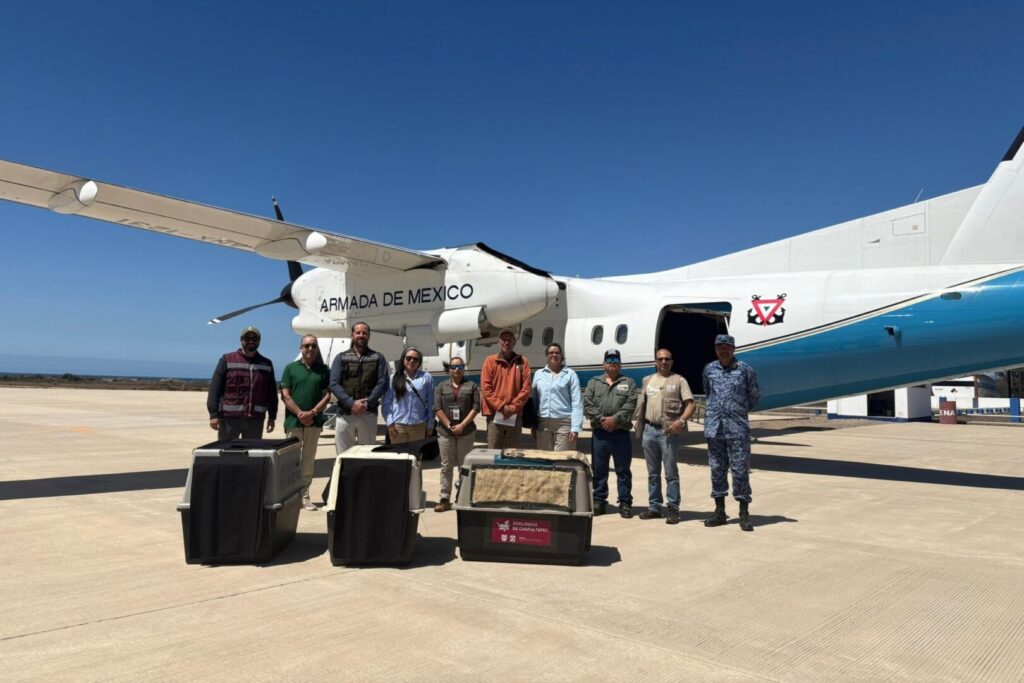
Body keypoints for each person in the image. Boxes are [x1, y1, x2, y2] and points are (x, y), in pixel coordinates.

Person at [702, 334, 761, 532]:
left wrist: (737, 411)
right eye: (720, 347)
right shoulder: (709, 369)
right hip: (715, 428)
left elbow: (754, 396)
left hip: (737, 429)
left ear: (733, 349)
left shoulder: (745, 370)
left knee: (740, 470)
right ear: (715, 349)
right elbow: (708, 393)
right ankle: (719, 512)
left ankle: (744, 513)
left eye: (727, 347)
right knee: (717, 469)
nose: (723, 350)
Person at [634, 349, 695, 525]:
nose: (663, 362)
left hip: (668, 432)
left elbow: (690, 404)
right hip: (649, 431)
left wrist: (681, 421)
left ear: (672, 362)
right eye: (660, 359)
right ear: (655, 362)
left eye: (667, 359)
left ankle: (673, 509)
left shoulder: (679, 380)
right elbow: (642, 404)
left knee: (671, 473)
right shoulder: (647, 380)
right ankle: (654, 507)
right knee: (652, 473)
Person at [583, 349, 638, 518]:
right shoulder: (593, 382)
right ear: (604, 364)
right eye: (609, 360)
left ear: (620, 364)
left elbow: (630, 405)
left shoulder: (628, 382)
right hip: (600, 434)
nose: (613, 363)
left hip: (620, 434)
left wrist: (615, 420)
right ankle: (599, 501)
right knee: (599, 469)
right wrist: (602, 420)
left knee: (623, 470)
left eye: (616, 360)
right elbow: (588, 403)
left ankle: (625, 502)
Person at [280, 334, 331, 511]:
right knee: (290, 461)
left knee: (308, 461)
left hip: (314, 423)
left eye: (313, 346)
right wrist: (300, 413)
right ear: (300, 348)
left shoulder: (324, 370)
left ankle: (304, 496)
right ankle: (288, 495)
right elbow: (285, 395)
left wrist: (313, 412)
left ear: (317, 349)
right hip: (293, 422)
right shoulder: (290, 368)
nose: (310, 349)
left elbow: (327, 395)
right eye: (307, 345)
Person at [207, 326, 278, 440]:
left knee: (252, 450)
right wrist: (213, 414)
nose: (251, 341)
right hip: (229, 419)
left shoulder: (266, 364)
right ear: (241, 340)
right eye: (247, 338)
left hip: (255, 420)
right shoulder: (227, 360)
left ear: (259, 341)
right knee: (226, 450)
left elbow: (272, 393)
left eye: (254, 338)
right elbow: (215, 389)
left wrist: (272, 416)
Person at [329, 322, 389, 454]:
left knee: (367, 454)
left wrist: (367, 403)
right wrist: (351, 403)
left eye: (364, 333)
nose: (361, 335)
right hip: (345, 414)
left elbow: (383, 382)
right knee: (343, 454)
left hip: (368, 413)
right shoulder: (341, 357)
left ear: (369, 336)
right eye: (358, 332)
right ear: (352, 335)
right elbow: (333, 383)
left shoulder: (378, 358)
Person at [433, 356, 480, 512]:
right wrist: (450, 425)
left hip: (466, 432)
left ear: (464, 369)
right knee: (446, 466)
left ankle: (462, 497)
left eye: (460, 366)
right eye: (453, 367)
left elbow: (476, 408)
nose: (457, 369)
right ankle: (444, 498)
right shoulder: (441, 386)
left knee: (464, 466)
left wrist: (461, 426)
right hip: (446, 432)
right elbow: (437, 408)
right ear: (449, 369)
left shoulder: (472, 386)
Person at [480, 327, 532, 449]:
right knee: (493, 451)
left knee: (513, 452)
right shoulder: (490, 361)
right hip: (495, 414)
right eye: (503, 340)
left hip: (515, 415)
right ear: (499, 342)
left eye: (509, 340)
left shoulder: (523, 362)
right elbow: (486, 388)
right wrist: (501, 407)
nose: (506, 342)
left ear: (514, 342)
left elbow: (526, 389)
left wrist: (513, 408)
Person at [531, 342, 583, 451]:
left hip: (564, 423)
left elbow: (577, 402)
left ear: (561, 356)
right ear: (546, 355)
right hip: (543, 423)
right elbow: (535, 401)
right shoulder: (538, 374)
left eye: (557, 353)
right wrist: (533, 424)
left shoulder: (570, 374)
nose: (554, 355)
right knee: (544, 458)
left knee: (562, 458)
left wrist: (575, 427)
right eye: (551, 353)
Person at [382, 347, 434, 444]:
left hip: (418, 425)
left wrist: (430, 424)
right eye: (408, 358)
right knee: (399, 453)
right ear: (403, 359)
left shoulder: (426, 377)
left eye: (415, 359)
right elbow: (387, 402)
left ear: (419, 362)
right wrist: (389, 422)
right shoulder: (394, 378)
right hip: (398, 425)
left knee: (415, 453)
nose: (412, 361)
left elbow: (431, 403)